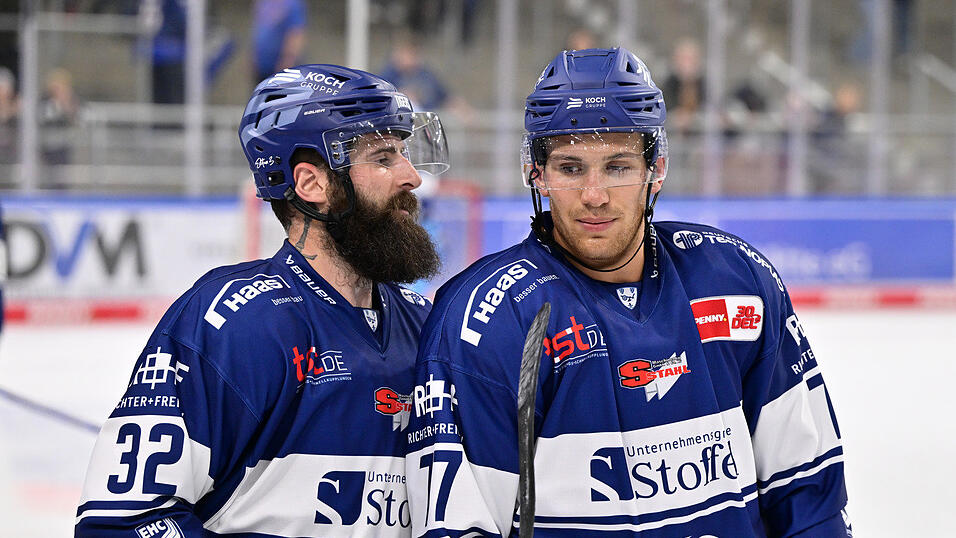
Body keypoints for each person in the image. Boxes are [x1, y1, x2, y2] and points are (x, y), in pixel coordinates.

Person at [405, 47, 851, 537]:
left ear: (655, 169)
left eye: (617, 167)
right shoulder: (487, 317)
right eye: (571, 168)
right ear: (538, 175)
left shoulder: (736, 280)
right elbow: (459, 526)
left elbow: (809, 492)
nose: (594, 194)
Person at [75, 64, 449, 536]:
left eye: (404, 154)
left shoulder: (428, 325)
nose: (413, 177)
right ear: (312, 184)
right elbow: (124, 522)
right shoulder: (237, 323)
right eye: (383, 158)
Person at [252, 0, 307, 85]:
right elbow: (258, 29)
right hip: (261, 66)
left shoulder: (294, 4)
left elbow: (295, 35)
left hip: (279, 67)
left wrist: (286, 65)